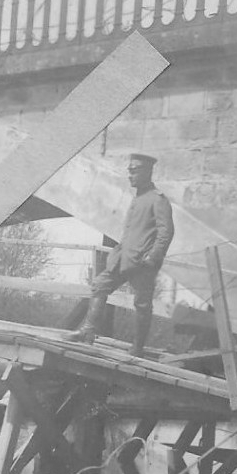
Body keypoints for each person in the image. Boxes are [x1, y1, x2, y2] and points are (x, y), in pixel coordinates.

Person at [63, 153, 174, 356]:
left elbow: (166, 233)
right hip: (123, 259)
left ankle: (137, 348)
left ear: (147, 172)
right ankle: (88, 331)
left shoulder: (158, 200)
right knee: (100, 285)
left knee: (142, 304)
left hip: (142, 263)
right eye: (129, 170)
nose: (130, 175)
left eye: (134, 171)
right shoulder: (138, 198)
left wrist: (153, 257)